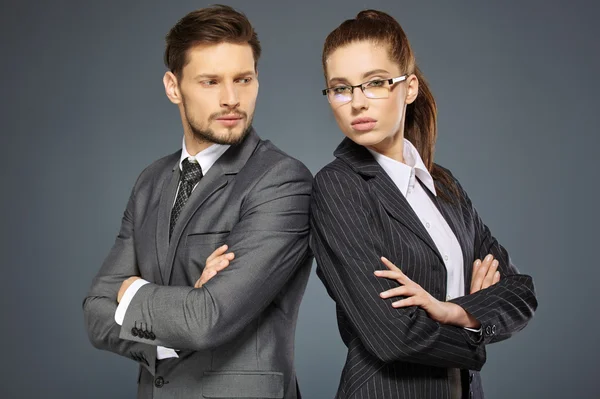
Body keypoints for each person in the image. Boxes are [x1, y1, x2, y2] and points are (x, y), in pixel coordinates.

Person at [83, 5, 312, 398]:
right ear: (174, 87)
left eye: (244, 79)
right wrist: (174, 326)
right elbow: (95, 314)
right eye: (210, 82)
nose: (231, 98)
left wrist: (132, 292)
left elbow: (208, 318)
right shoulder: (151, 182)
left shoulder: (282, 181)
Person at [310, 9, 538, 399]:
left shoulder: (444, 185)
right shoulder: (338, 187)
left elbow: (521, 291)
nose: (357, 103)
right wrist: (476, 323)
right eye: (341, 88)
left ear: (409, 87)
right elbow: (393, 335)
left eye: (375, 83)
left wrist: (454, 310)